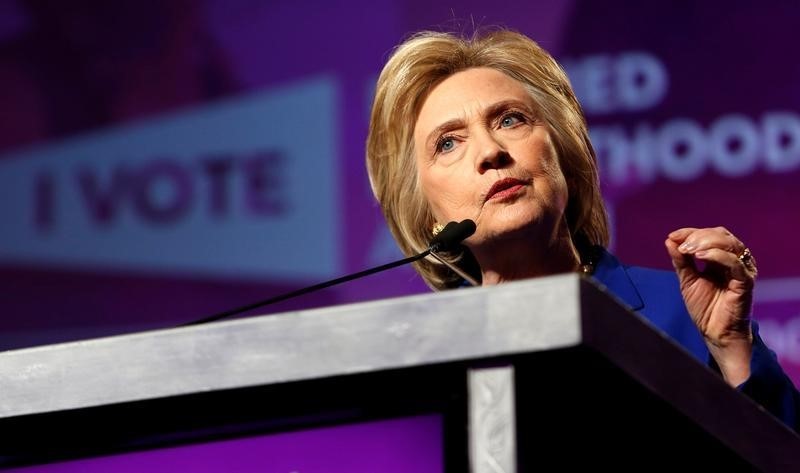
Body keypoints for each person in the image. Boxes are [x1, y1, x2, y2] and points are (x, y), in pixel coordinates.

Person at [365, 29, 799, 430]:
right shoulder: (422, 353)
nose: (490, 151)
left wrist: (732, 348)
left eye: (510, 120)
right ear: (429, 217)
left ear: (564, 158)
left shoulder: (684, 312)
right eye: (448, 143)